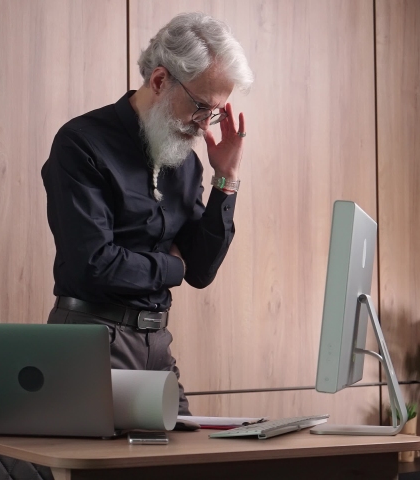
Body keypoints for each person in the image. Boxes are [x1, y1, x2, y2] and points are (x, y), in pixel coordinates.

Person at [41, 12, 253, 415]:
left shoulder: (185, 163)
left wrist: (225, 179)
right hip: (90, 340)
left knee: (196, 460)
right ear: (160, 81)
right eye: (201, 107)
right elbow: (95, 265)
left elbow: (201, 271)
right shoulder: (81, 143)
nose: (203, 125)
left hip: (156, 344)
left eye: (215, 113)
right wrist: (171, 268)